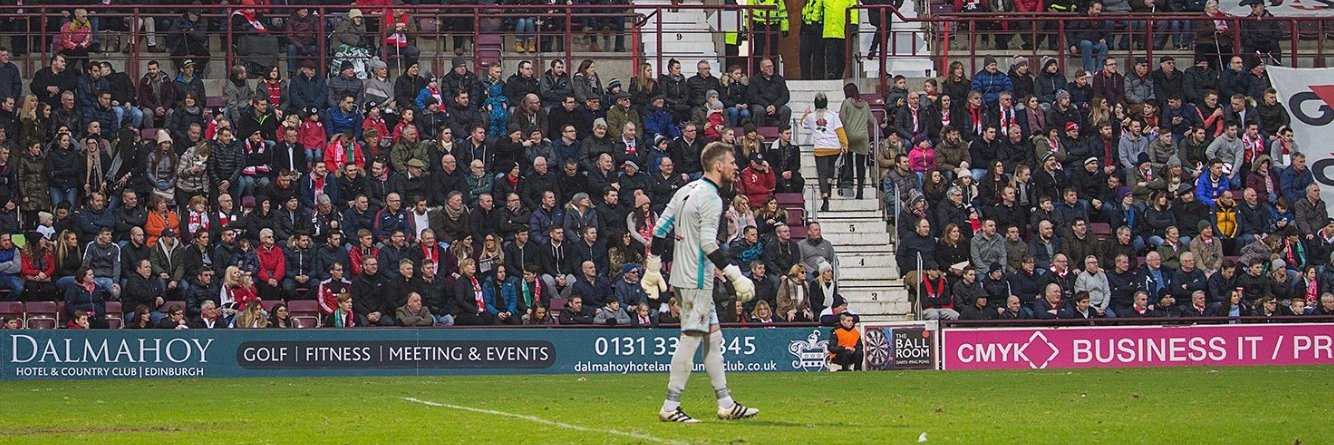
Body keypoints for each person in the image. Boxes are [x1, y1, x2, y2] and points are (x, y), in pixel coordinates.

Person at [640, 142, 758, 422]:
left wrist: (653, 266)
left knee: (713, 339)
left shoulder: (685, 189)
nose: (735, 167)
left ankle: (726, 403)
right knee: (691, 339)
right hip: (696, 279)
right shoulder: (711, 198)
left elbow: (660, 229)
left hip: (682, 276)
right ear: (718, 165)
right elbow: (707, 243)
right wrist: (735, 275)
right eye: (731, 162)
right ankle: (670, 406)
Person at [801, 93, 847, 212]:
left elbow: (802, 123)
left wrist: (806, 113)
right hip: (834, 147)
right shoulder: (833, 115)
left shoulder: (811, 117)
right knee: (831, 165)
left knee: (822, 174)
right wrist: (844, 144)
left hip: (821, 149)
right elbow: (840, 131)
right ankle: (829, 184)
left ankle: (825, 198)